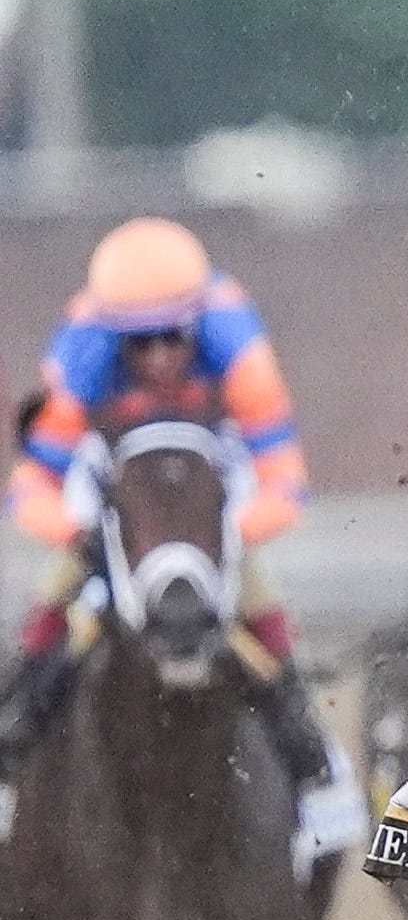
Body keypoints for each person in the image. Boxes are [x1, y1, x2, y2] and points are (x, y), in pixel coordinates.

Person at [2, 217, 327, 791]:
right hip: (117, 509)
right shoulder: (80, 355)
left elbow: (284, 480)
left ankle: (308, 742)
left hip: (207, 508)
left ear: (197, 324)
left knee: (259, 597)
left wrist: (225, 535)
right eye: (138, 342)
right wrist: (79, 534)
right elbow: (31, 487)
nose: (158, 357)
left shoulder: (239, 345)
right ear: (112, 335)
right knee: (51, 602)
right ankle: (17, 709)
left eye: (172, 337)